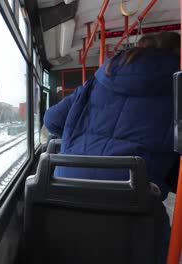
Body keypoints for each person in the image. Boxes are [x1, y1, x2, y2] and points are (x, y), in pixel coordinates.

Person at [44, 31, 180, 263]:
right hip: (133, 220)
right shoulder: (178, 90)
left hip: (64, 204)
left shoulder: (100, 78)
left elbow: (52, 120)